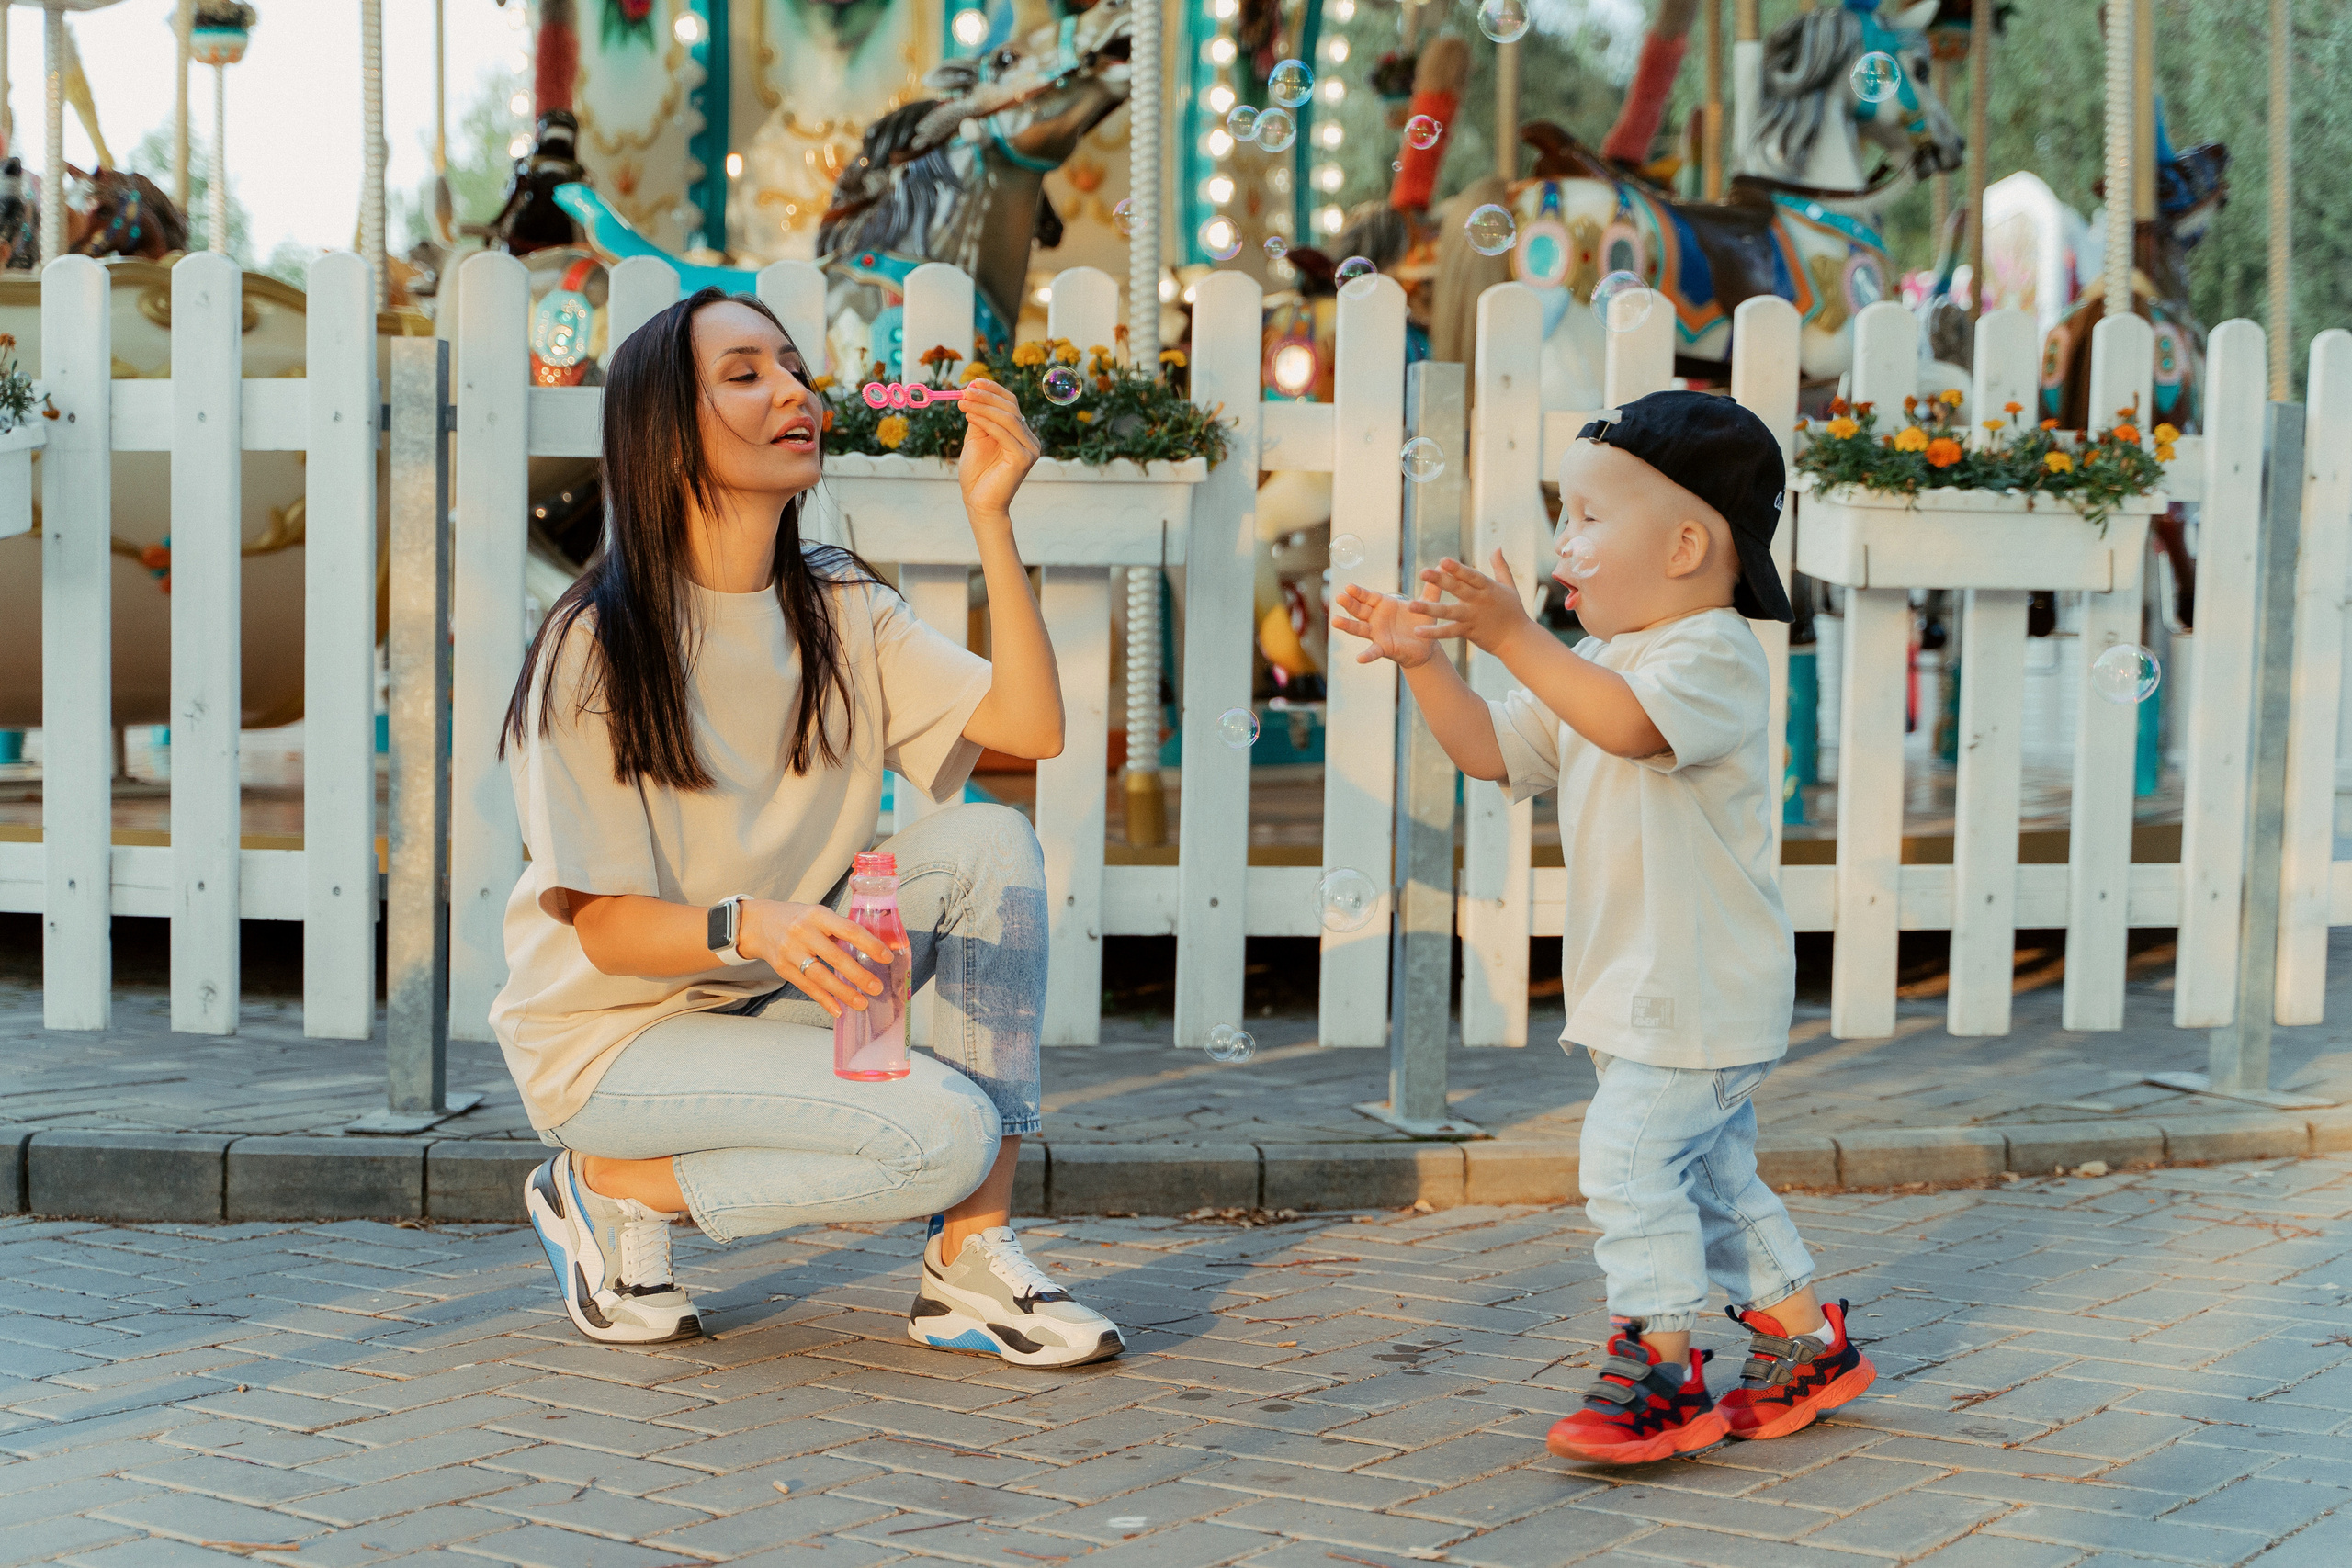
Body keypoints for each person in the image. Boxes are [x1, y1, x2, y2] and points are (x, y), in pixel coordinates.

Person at [492, 287, 1123, 1369]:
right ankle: (603, 1183)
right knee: (944, 1134)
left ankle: (969, 1262)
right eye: (744, 375)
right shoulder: (594, 644)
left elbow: (1032, 728)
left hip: (772, 989)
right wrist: (753, 924)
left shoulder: (837, 606)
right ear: (665, 432)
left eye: (792, 368)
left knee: (990, 844)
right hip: (615, 1040)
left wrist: (990, 516)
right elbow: (605, 932)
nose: (793, 392)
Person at [1329, 390, 1874, 1464]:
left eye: (1586, 517)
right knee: (1709, 1179)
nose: (1561, 544)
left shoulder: (1710, 652)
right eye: (1561, 515)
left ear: (1685, 547)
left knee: (1625, 1164)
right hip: (1646, 987)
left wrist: (1514, 634)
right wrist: (1428, 663)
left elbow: (1627, 729)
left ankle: (1661, 1366)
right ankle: (1805, 1343)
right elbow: (1490, 751)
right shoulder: (1600, 664)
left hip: (1697, 988)